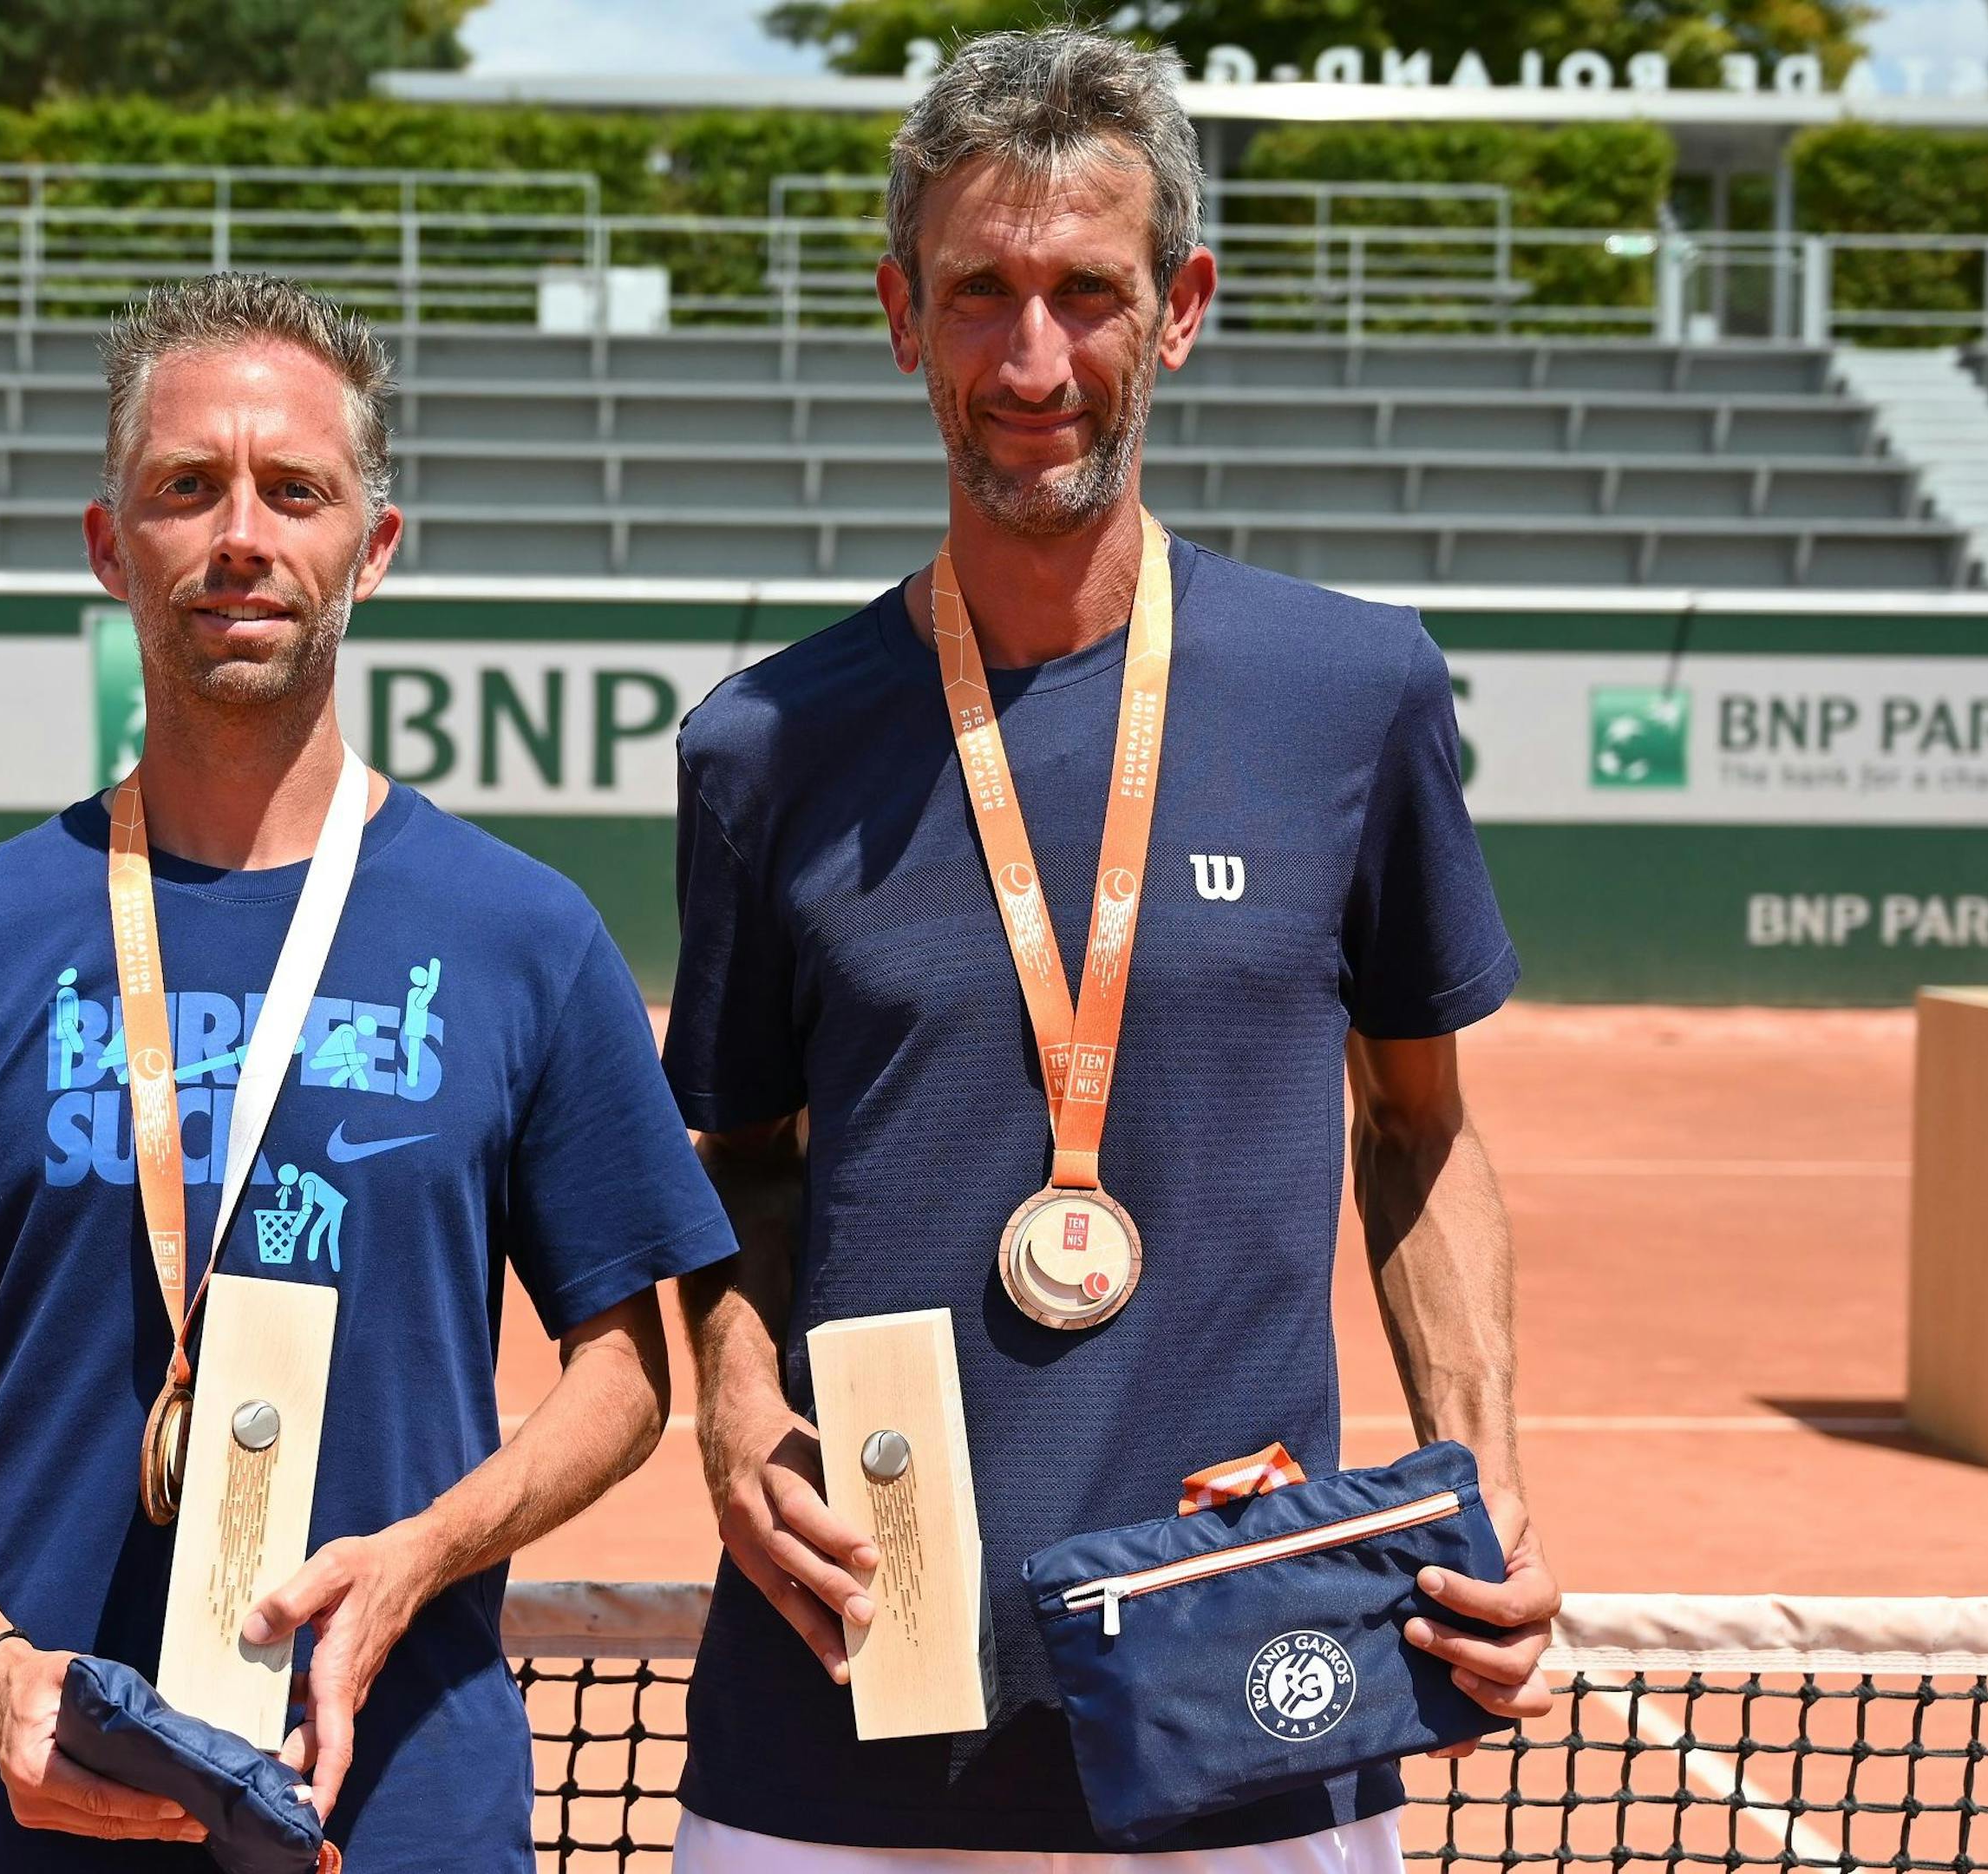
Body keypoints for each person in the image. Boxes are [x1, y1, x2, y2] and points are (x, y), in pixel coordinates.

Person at [663, 29, 1563, 1873]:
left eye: (1089, 291)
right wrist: (741, 1410)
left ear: (1182, 308)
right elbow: (737, 1165)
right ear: (902, 313)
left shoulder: (1353, 688)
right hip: (853, 1696)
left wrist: (1482, 1480)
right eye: (980, 293)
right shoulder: (764, 746)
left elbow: (1416, 1132)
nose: (1033, 360)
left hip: (1250, 1693)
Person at [0, 272, 736, 1872]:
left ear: (375, 546)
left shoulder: (524, 938)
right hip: (21, 1807)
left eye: (297, 490)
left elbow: (624, 1373)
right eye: (186, 488)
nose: (242, 537)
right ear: (108, 544)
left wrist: (422, 1555)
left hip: (392, 1803)